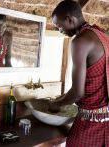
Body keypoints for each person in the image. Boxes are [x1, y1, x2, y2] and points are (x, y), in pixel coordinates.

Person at [48, 0, 109, 147]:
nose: (59, 31)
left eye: (59, 26)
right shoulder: (103, 35)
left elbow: (77, 93)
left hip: (90, 122)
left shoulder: (80, 42)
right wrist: (62, 97)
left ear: (70, 19)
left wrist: (56, 104)